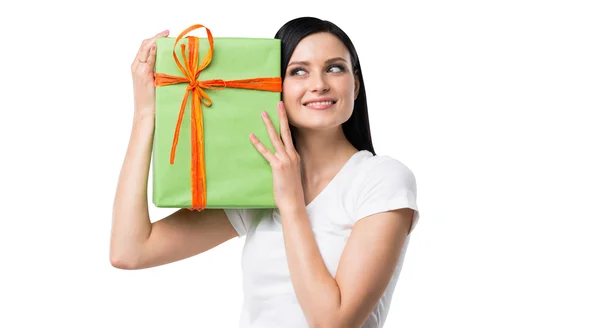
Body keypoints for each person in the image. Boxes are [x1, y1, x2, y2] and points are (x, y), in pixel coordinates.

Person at [110, 17, 420, 328]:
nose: (319, 84)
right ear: (275, 87)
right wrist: (145, 114)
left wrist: (291, 203)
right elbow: (130, 250)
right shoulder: (259, 183)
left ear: (356, 84)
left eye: (334, 68)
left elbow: (333, 322)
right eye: (298, 71)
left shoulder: (382, 180)